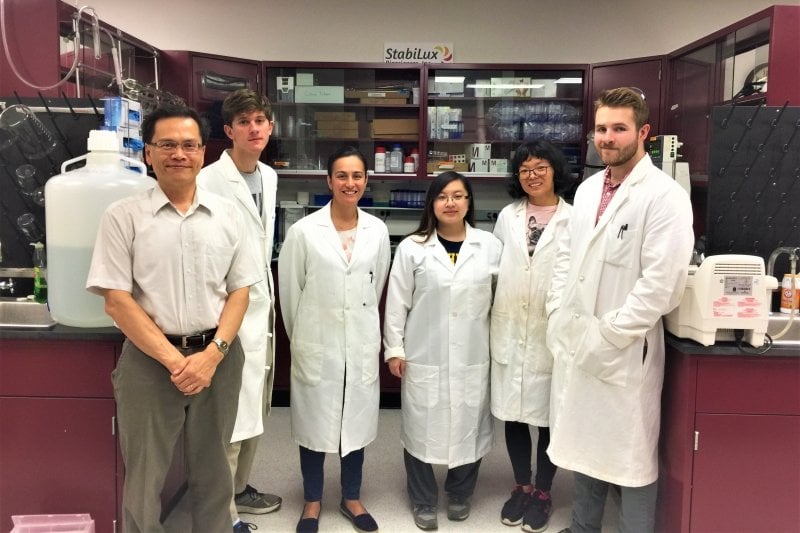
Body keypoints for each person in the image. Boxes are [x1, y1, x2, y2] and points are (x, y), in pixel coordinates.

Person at [86, 104, 260, 532]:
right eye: (167, 145)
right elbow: (116, 300)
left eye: (188, 145)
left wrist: (212, 354)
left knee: (216, 467)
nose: (178, 154)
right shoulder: (123, 217)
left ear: (203, 152)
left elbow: (240, 291)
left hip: (217, 358)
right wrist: (174, 361)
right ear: (149, 153)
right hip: (149, 362)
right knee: (144, 475)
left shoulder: (229, 214)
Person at [545, 87, 694, 533]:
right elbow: (566, 260)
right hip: (579, 338)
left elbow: (660, 287)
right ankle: (582, 527)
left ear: (643, 132)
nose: (607, 138)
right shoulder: (590, 190)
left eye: (619, 129)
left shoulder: (664, 196)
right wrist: (557, 311)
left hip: (625, 349)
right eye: (602, 129)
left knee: (631, 459)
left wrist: (609, 333)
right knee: (585, 446)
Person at [278, 146, 390, 533]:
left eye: (357, 176)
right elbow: (290, 295)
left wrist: (353, 326)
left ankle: (351, 496)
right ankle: (312, 502)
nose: (350, 183)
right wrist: (307, 338)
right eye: (341, 176)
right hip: (317, 342)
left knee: (355, 423)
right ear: (329, 181)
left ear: (366, 181)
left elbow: (375, 287)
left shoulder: (377, 231)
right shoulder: (304, 231)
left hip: (357, 341)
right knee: (312, 425)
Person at [383, 171, 502, 531]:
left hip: (472, 354)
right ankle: (422, 499)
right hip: (424, 354)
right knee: (421, 427)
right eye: (442, 197)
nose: (450, 203)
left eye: (458, 196)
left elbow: (501, 302)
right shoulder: (412, 248)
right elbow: (396, 302)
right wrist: (395, 349)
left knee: (470, 423)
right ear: (432, 204)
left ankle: (461, 493)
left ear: (469, 202)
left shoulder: (489, 246)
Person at [197, 88, 281, 532]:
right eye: (245, 122)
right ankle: (221, 513)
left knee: (257, 406)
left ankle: (240, 489)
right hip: (227, 308)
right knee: (230, 414)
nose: (255, 129)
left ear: (270, 127)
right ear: (229, 131)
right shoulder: (209, 180)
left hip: (260, 305)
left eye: (261, 121)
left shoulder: (268, 176)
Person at [490, 140, 572, 532]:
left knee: (549, 416)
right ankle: (521, 486)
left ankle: (543, 492)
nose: (532, 175)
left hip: (551, 330)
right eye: (524, 169)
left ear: (555, 171)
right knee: (515, 414)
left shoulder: (576, 218)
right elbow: (497, 268)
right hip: (510, 325)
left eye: (540, 167)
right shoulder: (508, 216)